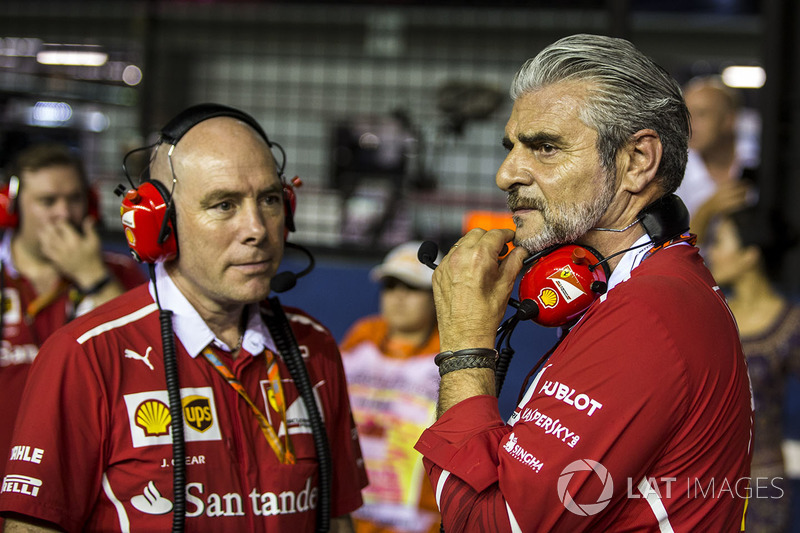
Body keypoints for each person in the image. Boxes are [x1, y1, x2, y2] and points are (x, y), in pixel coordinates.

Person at [414, 34, 752, 531]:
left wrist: (465, 344)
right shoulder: (655, 284)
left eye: (545, 147)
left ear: (637, 161)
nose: (506, 174)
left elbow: (489, 524)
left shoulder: (646, 316)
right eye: (511, 147)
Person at [0, 105, 367, 531]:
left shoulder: (313, 346)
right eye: (224, 204)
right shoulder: (84, 356)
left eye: (268, 199)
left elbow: (338, 519)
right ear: (160, 223)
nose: (258, 229)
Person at [0, 143, 146, 516]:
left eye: (74, 199)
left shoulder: (120, 275)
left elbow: (148, 361)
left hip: (87, 491)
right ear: (13, 205)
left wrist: (92, 277)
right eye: (47, 201)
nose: (63, 212)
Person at [705, 204, 800, 533]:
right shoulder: (708, 312)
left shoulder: (790, 325)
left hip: (762, 488)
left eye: (720, 242)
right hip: (698, 482)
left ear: (749, 256)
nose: (712, 252)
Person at [340, 241, 442, 533]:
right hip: (352, 513)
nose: (398, 297)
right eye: (390, 286)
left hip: (416, 522)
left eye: (411, 288)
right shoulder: (362, 336)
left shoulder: (454, 351)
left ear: (438, 296)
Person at [675, 75, 758, 240]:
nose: (689, 124)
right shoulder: (674, 173)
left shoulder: (760, 159)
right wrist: (707, 211)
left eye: (701, 114)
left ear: (729, 119)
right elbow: (672, 249)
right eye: (685, 115)